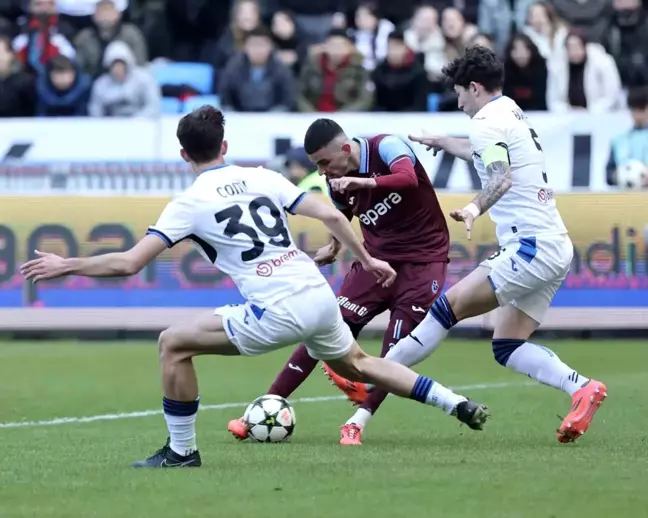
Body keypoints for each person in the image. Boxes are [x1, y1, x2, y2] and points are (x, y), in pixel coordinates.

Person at [20, 105, 489, 467]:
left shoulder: (187, 203)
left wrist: (67, 265)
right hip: (315, 294)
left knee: (172, 344)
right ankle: (456, 402)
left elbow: (128, 263)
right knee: (363, 363)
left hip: (276, 308)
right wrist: (365, 257)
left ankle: (181, 452)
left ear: (185, 155)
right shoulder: (263, 177)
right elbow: (328, 213)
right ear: (224, 145)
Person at [328, 46, 607, 444]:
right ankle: (582, 387)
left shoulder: (485, 123)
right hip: (554, 245)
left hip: (528, 246)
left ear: (474, 87)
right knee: (508, 345)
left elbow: (501, 175)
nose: (458, 102)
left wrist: (476, 207)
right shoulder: (509, 110)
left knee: (446, 309)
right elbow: (486, 152)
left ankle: (369, 373)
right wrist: (446, 141)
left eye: (459, 93)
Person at [228, 118, 488, 446]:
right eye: (316, 165)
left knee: (394, 355)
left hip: (423, 264)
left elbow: (407, 179)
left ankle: (356, 422)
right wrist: (334, 248)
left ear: (346, 149)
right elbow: (344, 216)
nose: (322, 172)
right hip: (375, 263)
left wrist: (363, 184)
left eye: (324, 162)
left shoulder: (387, 146)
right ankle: (258, 412)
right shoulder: (338, 182)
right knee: (319, 329)